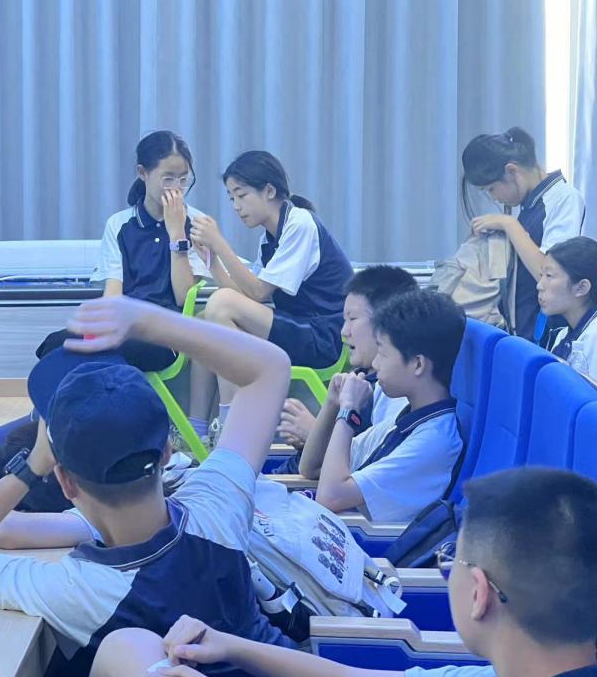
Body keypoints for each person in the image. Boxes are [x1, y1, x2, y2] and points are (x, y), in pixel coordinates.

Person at [0, 296, 295, 677]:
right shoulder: (218, 504)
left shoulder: (80, 589)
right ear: (166, 452)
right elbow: (269, 367)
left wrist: (32, 467)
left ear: (65, 481)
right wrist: (146, 320)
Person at [92, 467, 597, 677]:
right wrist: (230, 644)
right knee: (127, 646)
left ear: (478, 594)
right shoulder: (499, 674)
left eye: (452, 561)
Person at [0, 130, 211, 448]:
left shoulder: (196, 223)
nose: (176, 188)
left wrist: (177, 235)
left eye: (183, 179)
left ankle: (44, 430)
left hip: (168, 334)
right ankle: (50, 426)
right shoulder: (119, 225)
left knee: (88, 354)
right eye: (168, 178)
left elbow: (183, 296)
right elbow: (113, 296)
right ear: (142, 173)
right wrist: (106, 327)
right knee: (57, 344)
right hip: (125, 326)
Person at [187, 150, 353, 436]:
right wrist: (211, 260)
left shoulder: (300, 224)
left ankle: (230, 425)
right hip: (299, 328)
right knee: (205, 319)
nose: (236, 206)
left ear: (269, 191)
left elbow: (258, 291)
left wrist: (220, 244)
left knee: (221, 304)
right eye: (231, 198)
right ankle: (196, 431)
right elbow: (248, 297)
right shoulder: (270, 238)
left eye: (241, 195)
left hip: (323, 336)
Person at [299, 290, 465, 521]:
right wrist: (332, 403)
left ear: (417, 364)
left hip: (370, 539)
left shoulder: (434, 440)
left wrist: (348, 411)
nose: (375, 364)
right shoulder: (405, 422)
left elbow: (331, 497)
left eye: (383, 354)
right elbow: (311, 467)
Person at [274, 265, 419, 474]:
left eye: (352, 319)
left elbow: (364, 467)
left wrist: (311, 432)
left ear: (386, 324)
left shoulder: (391, 390)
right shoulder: (359, 378)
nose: (344, 331)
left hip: (301, 488)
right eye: (344, 320)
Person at [461, 127, 585, 341]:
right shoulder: (530, 206)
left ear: (512, 171)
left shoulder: (565, 199)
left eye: (491, 189)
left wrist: (509, 225)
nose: (494, 198)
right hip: (521, 329)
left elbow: (551, 275)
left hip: (545, 333)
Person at [538, 237, 597, 379]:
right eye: (541, 275)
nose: (539, 285)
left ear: (582, 288)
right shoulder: (562, 335)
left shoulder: (594, 337)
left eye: (549, 276)